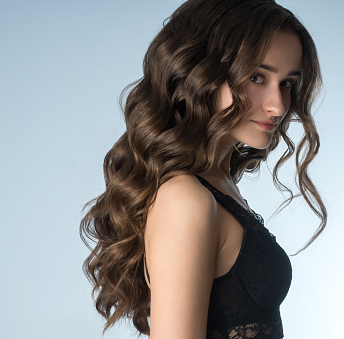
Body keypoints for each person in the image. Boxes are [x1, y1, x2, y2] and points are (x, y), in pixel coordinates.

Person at [80, 0, 327, 338]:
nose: (278, 105)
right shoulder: (186, 199)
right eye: (257, 77)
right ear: (201, 73)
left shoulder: (219, 183)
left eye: (287, 82)